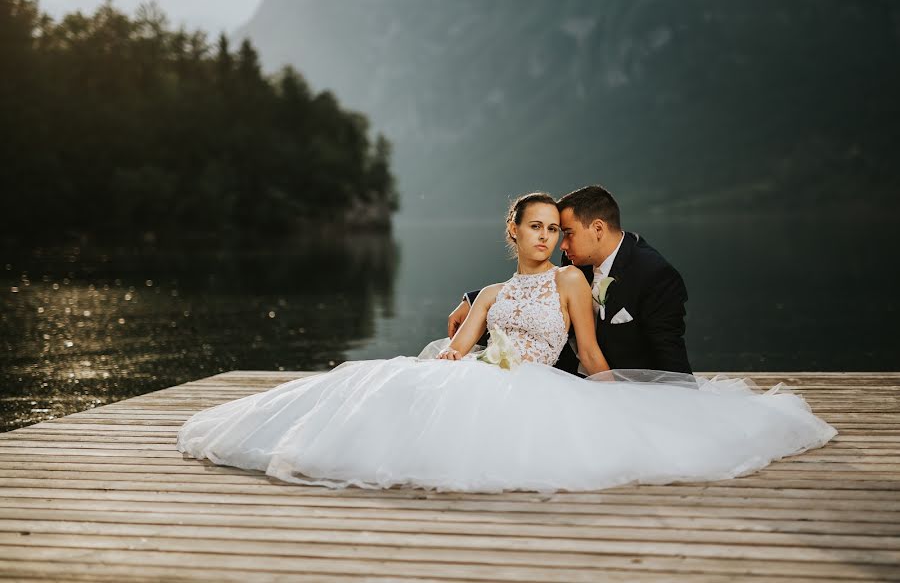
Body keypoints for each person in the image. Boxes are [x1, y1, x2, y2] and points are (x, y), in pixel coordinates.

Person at [177, 193, 835, 493]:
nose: (548, 237)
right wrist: (445, 353)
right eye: (537, 227)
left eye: (556, 229)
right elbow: (459, 348)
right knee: (386, 378)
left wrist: (626, 408)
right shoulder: (490, 294)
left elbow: (594, 355)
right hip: (481, 373)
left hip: (534, 386)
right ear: (514, 233)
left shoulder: (575, 286)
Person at [448, 185, 692, 375]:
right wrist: (474, 301)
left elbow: (669, 351)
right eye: (538, 227)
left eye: (562, 231)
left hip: (616, 385)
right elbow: (529, 288)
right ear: (514, 229)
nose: (559, 244)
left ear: (598, 229)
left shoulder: (654, 276)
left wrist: (673, 405)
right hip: (550, 376)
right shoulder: (576, 259)